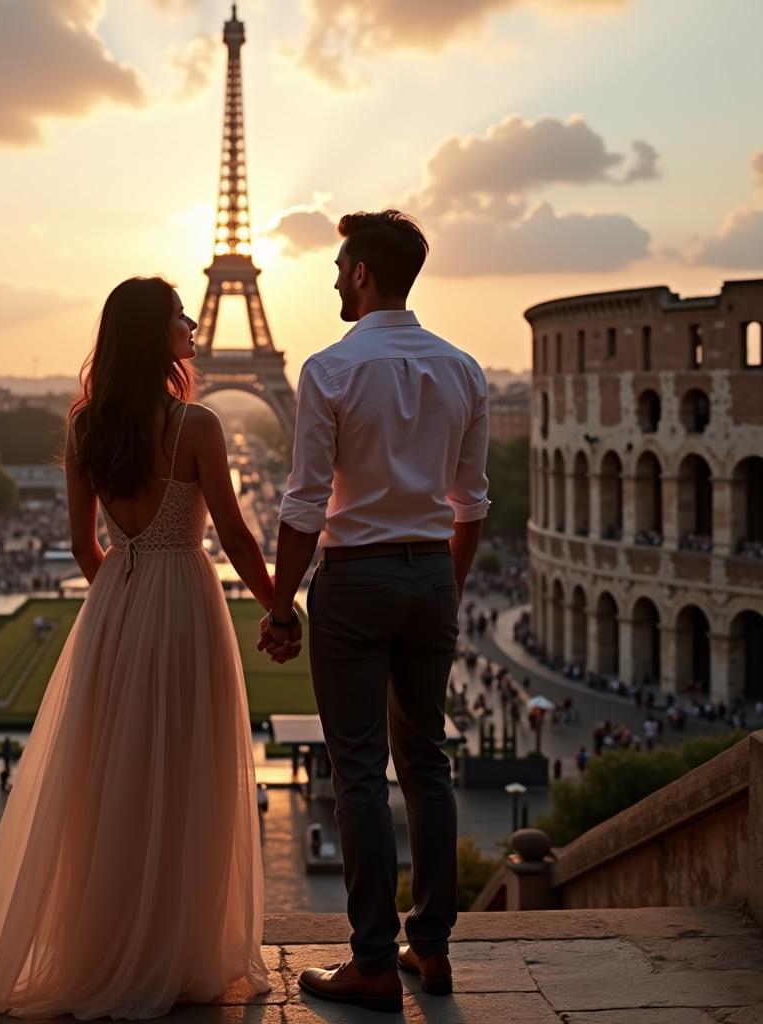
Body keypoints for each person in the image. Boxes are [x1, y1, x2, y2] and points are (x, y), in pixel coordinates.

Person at [0, 276, 272, 1017]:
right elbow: (234, 534)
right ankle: (178, 946)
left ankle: (111, 941)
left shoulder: (84, 425)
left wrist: (124, 592)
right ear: (154, 335)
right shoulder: (197, 425)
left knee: (110, 781)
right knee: (189, 776)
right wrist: (277, 605)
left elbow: (81, 545)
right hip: (187, 604)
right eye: (179, 318)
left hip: (116, 606)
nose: (193, 325)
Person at [259, 210, 489, 1012]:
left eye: (337, 265)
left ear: (362, 274)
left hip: (354, 580)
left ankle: (369, 960)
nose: (330, 279)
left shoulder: (328, 368)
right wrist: (444, 583)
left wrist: (282, 601)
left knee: (358, 771)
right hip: (431, 570)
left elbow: (304, 503)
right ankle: (430, 947)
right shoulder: (464, 368)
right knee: (427, 763)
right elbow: (473, 505)